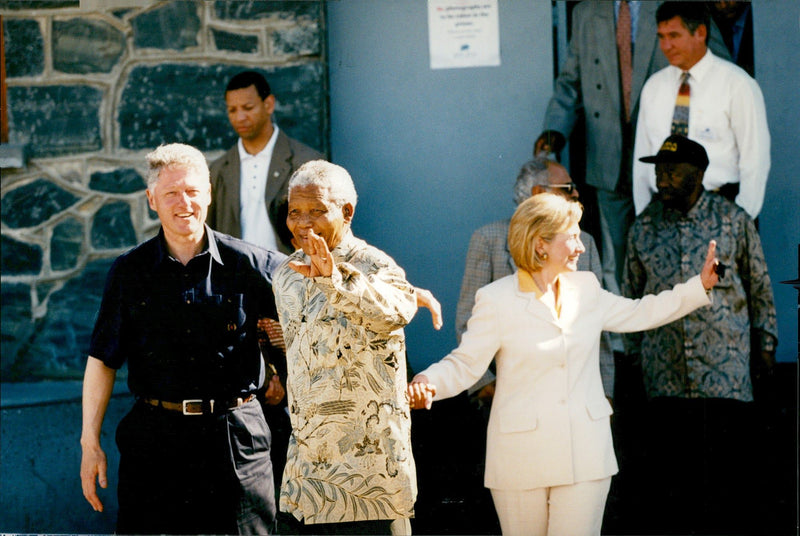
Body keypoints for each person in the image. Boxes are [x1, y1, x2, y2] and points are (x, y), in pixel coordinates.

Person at [408, 192, 721, 536]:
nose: (582, 246)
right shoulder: (496, 299)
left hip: (585, 454)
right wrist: (428, 381)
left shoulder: (586, 288)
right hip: (520, 459)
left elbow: (639, 312)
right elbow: (465, 363)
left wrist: (698, 286)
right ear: (540, 244)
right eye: (572, 237)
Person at [79, 143, 287, 535]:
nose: (184, 202)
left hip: (237, 443)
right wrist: (90, 442)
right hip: (156, 444)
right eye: (171, 193)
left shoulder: (253, 265)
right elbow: (102, 360)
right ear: (151, 200)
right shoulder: (129, 272)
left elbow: (322, 299)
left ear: (208, 193)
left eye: (192, 191)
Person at [623, 134, 777, 534]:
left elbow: (760, 285)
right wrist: (636, 361)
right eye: (658, 170)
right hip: (665, 380)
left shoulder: (733, 220)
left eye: (672, 170)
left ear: (700, 173)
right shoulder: (643, 228)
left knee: (729, 490)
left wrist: (766, 346)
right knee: (674, 493)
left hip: (725, 379)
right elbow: (630, 296)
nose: (663, 178)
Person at [533, 1, 729, 293]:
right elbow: (570, 83)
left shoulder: (674, 4)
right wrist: (555, 129)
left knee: (675, 248)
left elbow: (718, 69)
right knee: (618, 257)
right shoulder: (586, 12)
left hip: (665, 156)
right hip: (608, 155)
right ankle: (625, 334)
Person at [273, 160, 418, 534]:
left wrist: (333, 280)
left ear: (347, 212)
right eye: (294, 213)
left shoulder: (376, 265)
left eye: (317, 211)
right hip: (304, 484)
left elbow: (397, 310)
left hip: (369, 486)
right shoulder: (285, 274)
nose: (303, 223)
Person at [456, 157, 614, 402]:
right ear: (539, 193)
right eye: (567, 188)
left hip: (572, 393)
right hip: (509, 393)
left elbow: (598, 325)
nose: (576, 193)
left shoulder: (584, 243)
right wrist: (484, 384)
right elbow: (469, 320)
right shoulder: (489, 239)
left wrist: (605, 391)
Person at [632, 1, 769, 219]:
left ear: (701, 33)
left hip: (721, 209)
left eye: (674, 36)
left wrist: (739, 223)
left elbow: (755, 162)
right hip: (663, 212)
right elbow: (641, 162)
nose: (666, 46)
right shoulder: (653, 87)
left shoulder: (737, 85)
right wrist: (645, 218)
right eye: (661, 37)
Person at [208, 70, 323, 255]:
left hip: (293, 275)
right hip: (237, 278)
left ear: (268, 104)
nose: (240, 117)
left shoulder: (307, 162)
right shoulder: (218, 170)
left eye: (248, 107)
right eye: (232, 110)